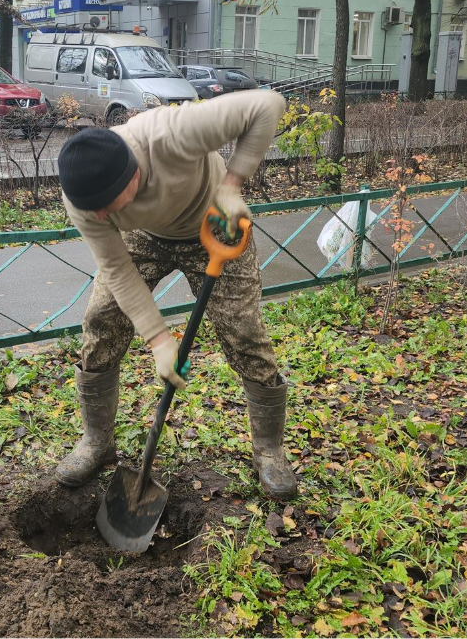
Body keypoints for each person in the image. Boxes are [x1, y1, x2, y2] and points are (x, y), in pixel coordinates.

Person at [55, 90, 297, 500]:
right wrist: (159, 340)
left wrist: (233, 182)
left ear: (132, 174)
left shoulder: (170, 134)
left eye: (106, 207)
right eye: (91, 210)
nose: (99, 217)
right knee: (101, 319)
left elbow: (267, 105)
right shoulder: (84, 200)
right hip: (144, 238)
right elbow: (116, 269)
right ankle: (97, 440)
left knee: (244, 333)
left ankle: (269, 449)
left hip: (217, 226)